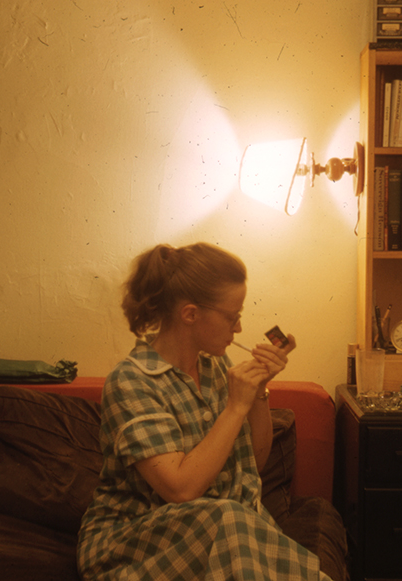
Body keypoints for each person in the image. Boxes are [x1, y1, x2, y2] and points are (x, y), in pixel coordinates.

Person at [77, 242, 329, 580]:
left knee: (236, 523)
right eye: (232, 317)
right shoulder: (131, 381)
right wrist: (235, 406)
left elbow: (254, 461)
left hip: (227, 536)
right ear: (190, 314)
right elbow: (181, 490)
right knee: (229, 519)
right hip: (135, 546)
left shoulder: (216, 367)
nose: (238, 328)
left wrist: (256, 394)